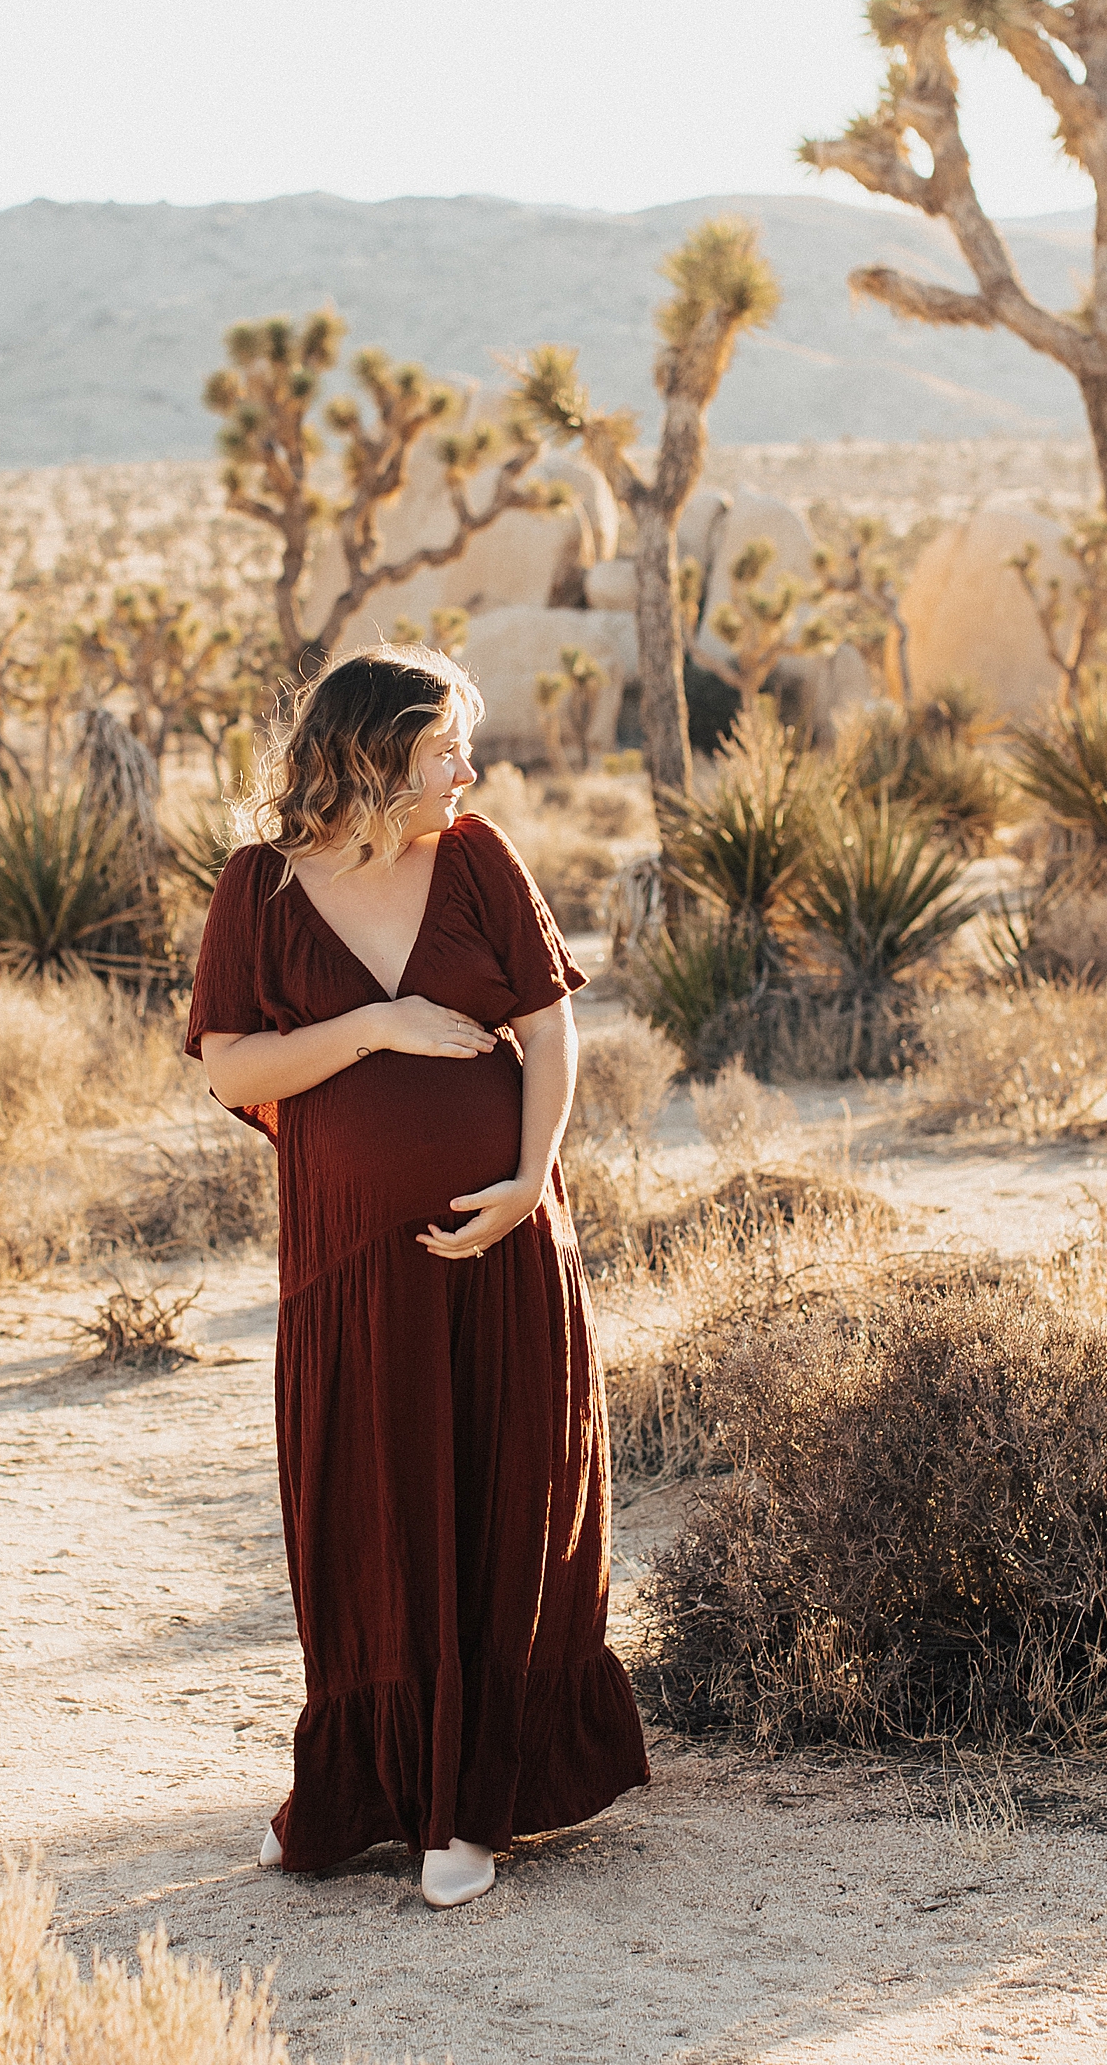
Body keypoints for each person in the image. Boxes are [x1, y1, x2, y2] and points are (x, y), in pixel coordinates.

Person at [186, 644, 647, 1909]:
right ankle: (359, 1785)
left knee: (500, 1507)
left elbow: (552, 1032)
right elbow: (232, 1070)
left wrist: (525, 1188)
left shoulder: (482, 858)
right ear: (376, 754)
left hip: (504, 1249)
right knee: (369, 1517)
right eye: (447, 749)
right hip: (347, 1272)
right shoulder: (259, 891)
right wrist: (377, 1027)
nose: (468, 769)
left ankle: (471, 1810)